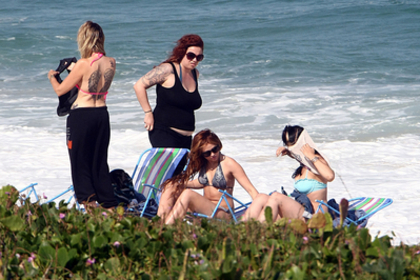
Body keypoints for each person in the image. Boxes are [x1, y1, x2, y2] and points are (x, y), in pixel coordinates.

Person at [47, 21, 118, 209]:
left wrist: (52, 77)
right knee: (99, 161)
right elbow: (92, 84)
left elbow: (61, 90)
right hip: (102, 114)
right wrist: (75, 72)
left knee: (80, 162)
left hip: (82, 117)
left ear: (84, 39)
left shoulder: (82, 64)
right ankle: (109, 205)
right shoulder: (111, 62)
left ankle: (89, 205)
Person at [158, 129, 259, 224]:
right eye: (207, 153)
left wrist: (260, 210)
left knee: (188, 194)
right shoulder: (204, 163)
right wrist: (179, 184)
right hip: (205, 209)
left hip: (223, 212)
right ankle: (159, 223)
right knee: (170, 185)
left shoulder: (229, 164)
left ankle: (167, 228)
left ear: (219, 144)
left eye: (215, 149)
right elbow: (204, 182)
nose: (212, 154)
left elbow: (251, 189)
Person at [243, 125, 335, 222]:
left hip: (315, 216)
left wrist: (312, 156)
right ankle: (242, 229)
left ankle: (259, 231)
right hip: (301, 211)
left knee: (276, 197)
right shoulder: (304, 164)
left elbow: (330, 176)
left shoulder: (317, 160)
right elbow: (299, 155)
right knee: (261, 197)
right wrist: (289, 152)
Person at [133, 34, 204, 149]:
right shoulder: (167, 69)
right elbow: (139, 86)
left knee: (185, 168)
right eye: (191, 55)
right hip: (164, 132)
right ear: (182, 52)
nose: (194, 60)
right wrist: (148, 113)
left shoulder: (195, 74)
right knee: (167, 167)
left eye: (199, 57)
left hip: (186, 139)